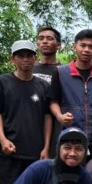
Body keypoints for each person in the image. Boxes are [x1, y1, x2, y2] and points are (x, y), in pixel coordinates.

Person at [0, 40, 52, 184]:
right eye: (20, 56)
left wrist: (46, 147)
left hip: (35, 151)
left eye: (29, 56)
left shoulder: (43, 86)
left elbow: (47, 117)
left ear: (35, 58)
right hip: (9, 151)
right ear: (13, 59)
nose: (25, 59)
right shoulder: (2, 82)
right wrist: (2, 139)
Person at [49, 29, 92, 159]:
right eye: (82, 45)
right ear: (74, 47)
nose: (86, 50)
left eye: (91, 46)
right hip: (69, 137)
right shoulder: (61, 72)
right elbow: (53, 101)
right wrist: (60, 116)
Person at [32, 26, 63, 157]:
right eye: (41, 38)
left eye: (49, 39)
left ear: (59, 45)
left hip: (55, 127)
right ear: (37, 44)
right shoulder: (28, 69)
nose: (45, 41)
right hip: (30, 125)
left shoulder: (63, 71)